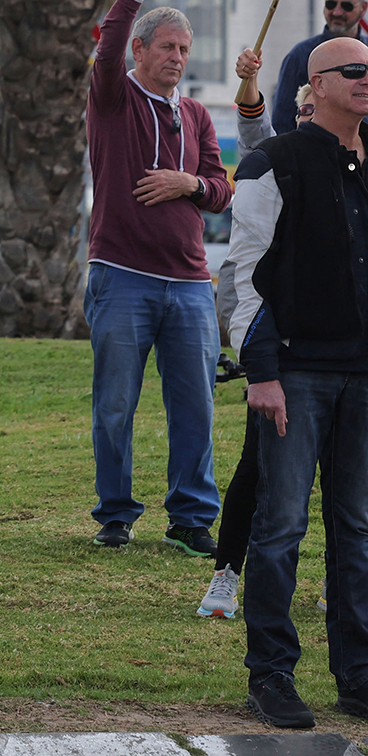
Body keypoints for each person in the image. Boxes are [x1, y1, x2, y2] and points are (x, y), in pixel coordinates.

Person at [227, 36, 368, 728]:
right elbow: (244, 275)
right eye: (355, 70)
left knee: (360, 529)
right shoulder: (272, 160)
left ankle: (359, 674)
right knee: (280, 526)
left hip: (363, 377)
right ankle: (271, 674)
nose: (367, 79)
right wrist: (261, 370)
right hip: (297, 372)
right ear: (316, 85)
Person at [84, 0, 230, 554]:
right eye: (166, 46)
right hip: (122, 275)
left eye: (184, 48)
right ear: (140, 51)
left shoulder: (195, 115)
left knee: (195, 407)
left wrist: (188, 182)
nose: (176, 57)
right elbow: (107, 40)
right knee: (115, 406)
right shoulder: (112, 97)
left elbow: (222, 189)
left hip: (192, 283)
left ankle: (192, 519)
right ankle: (115, 513)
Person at [198, 60, 313, 623]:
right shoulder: (279, 159)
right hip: (280, 350)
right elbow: (252, 127)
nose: (312, 121)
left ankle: (344, 585)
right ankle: (227, 573)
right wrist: (246, 80)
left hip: (346, 354)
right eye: (305, 111)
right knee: (258, 468)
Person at [268, 0, 366, 136]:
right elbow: (282, 123)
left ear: (363, 8)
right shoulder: (300, 56)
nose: (337, 12)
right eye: (331, 4)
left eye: (347, 6)